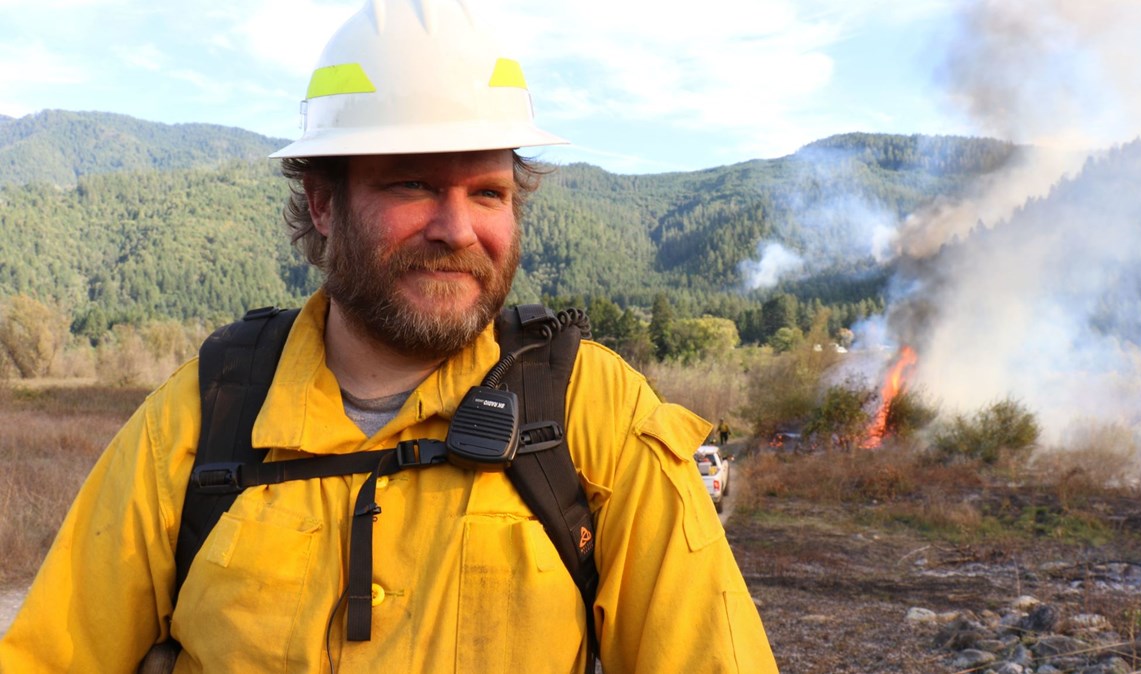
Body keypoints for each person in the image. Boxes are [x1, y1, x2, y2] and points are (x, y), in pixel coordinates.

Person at [0, 1, 778, 672]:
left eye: (488, 192)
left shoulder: (590, 415)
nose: (457, 229)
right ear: (323, 202)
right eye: (412, 183)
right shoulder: (204, 417)